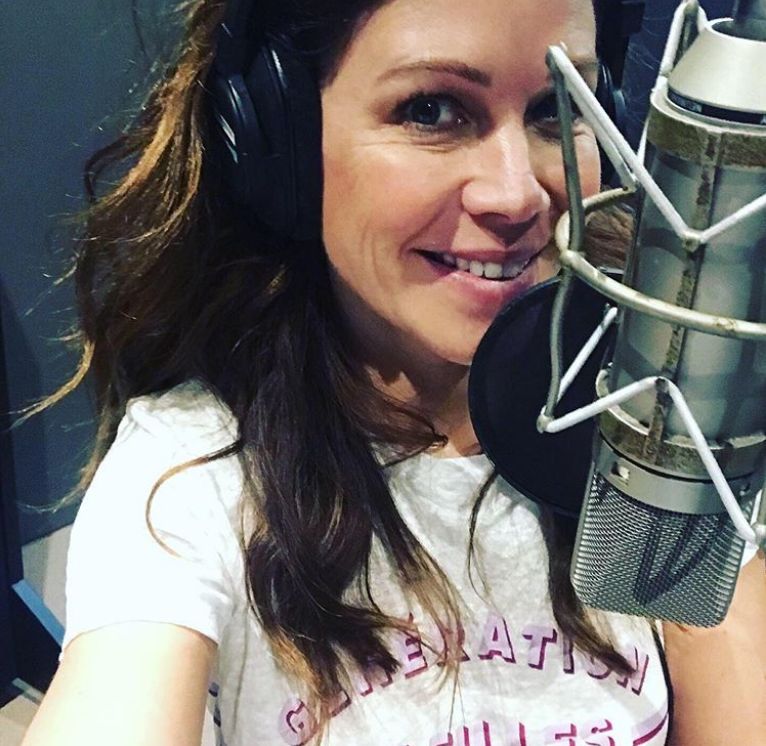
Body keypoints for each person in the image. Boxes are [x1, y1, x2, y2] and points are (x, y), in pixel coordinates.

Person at [20, 0, 766, 744]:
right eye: (431, 110)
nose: (516, 194)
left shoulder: (656, 395)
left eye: (555, 109)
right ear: (280, 137)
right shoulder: (192, 471)